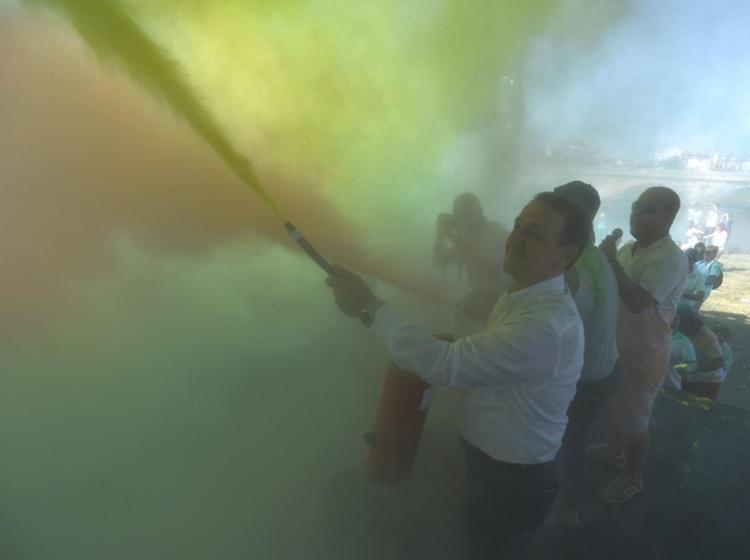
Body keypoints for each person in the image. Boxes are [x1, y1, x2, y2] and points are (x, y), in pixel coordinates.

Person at [326, 192, 589, 558]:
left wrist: (369, 308)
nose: (515, 238)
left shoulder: (545, 324)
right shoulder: (524, 295)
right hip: (497, 466)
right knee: (481, 537)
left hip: (512, 478)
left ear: (564, 256)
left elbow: (446, 366)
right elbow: (488, 357)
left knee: (493, 549)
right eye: (518, 226)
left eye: (533, 233)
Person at [589, 186, 687, 503]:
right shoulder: (629, 250)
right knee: (621, 408)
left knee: (635, 421)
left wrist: (610, 261)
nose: (636, 214)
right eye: (636, 206)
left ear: (669, 217)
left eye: (648, 209)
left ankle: (633, 477)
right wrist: (602, 260)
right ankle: (614, 453)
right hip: (620, 346)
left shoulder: (670, 258)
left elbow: (638, 301)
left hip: (645, 352)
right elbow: (609, 285)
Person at [551, 182, 619, 527]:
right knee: (574, 438)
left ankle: (565, 509)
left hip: (586, 377)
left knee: (567, 441)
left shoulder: (572, 265)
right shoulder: (593, 254)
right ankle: (566, 505)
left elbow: (551, 332)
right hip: (606, 368)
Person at [433, 192, 510, 334]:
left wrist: (457, 240)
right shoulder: (467, 236)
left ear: (479, 212)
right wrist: (440, 234)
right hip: (481, 298)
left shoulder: (494, 231)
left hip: (501, 298)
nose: (464, 219)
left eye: (466, 213)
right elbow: (439, 261)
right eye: (459, 215)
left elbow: (496, 269)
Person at [677, 306, 725, 401]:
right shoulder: (681, 333)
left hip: (708, 382)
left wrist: (682, 368)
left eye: (678, 319)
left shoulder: (706, 337)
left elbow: (718, 363)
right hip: (689, 378)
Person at [664, 314, 697, 390]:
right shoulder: (655, 335)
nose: (673, 321)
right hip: (648, 384)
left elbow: (692, 364)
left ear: (679, 321)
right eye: (671, 318)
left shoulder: (684, 342)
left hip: (670, 386)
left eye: (676, 319)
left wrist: (678, 367)